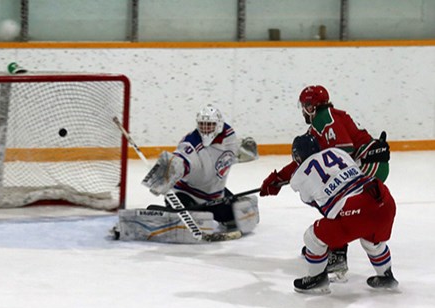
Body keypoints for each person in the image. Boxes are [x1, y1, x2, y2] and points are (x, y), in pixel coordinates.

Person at [260, 85, 391, 279]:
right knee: (333, 195)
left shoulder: (326, 119)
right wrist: (279, 177)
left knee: (333, 195)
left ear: (312, 107)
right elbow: (307, 162)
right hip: (365, 164)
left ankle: (336, 252)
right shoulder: (321, 123)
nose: (303, 110)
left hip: (370, 164)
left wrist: (282, 178)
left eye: (305, 106)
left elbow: (342, 152)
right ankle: (333, 245)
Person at [112, 104, 260, 243]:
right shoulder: (191, 144)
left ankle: (200, 212)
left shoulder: (229, 137)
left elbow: (229, 155)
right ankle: (147, 219)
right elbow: (180, 160)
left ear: (219, 125)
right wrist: (167, 173)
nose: (206, 129)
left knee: (236, 216)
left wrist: (244, 151)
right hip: (185, 194)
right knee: (186, 220)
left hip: (214, 195)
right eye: (202, 125)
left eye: (210, 125)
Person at [289, 134, 398, 294]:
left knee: (312, 237)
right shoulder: (337, 153)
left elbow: (314, 202)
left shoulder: (298, 178)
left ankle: (317, 278)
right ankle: (386, 276)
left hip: (355, 210)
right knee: (372, 242)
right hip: (383, 199)